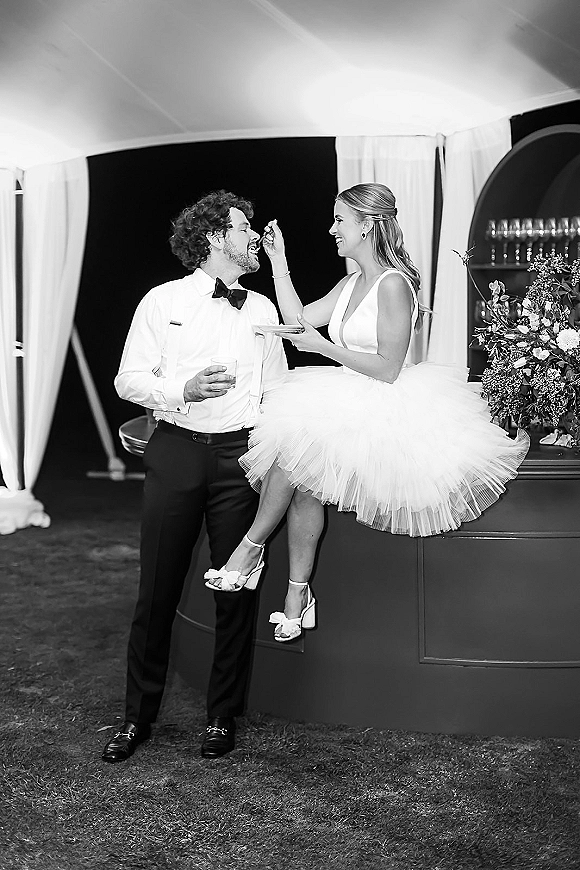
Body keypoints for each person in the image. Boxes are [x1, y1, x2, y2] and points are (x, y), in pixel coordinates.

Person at [204, 182, 529, 641]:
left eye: (340, 220)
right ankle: (298, 595)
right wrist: (279, 262)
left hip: (385, 402)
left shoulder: (393, 284)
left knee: (297, 453)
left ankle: (250, 549)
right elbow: (300, 320)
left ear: (368, 225)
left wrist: (323, 349)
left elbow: (390, 368)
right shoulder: (351, 282)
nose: (332, 229)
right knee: (303, 483)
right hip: (345, 395)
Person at [102, 190, 287, 762]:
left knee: (235, 592)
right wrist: (178, 390)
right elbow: (128, 379)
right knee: (156, 589)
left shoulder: (260, 310)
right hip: (177, 450)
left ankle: (221, 716)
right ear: (213, 237)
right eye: (242, 227)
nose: (252, 235)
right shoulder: (161, 300)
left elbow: (278, 387)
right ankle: (137, 719)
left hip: (240, 460)